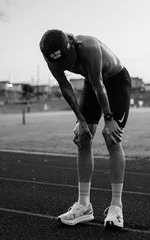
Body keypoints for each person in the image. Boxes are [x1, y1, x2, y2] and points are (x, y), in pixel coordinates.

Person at [39, 29, 131, 229]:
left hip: (115, 82)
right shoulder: (51, 57)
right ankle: (83, 205)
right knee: (83, 138)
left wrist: (109, 119)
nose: (68, 66)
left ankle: (117, 207)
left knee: (112, 138)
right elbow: (66, 87)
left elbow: (100, 85)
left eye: (69, 60)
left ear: (72, 45)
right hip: (93, 84)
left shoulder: (88, 46)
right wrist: (80, 120)